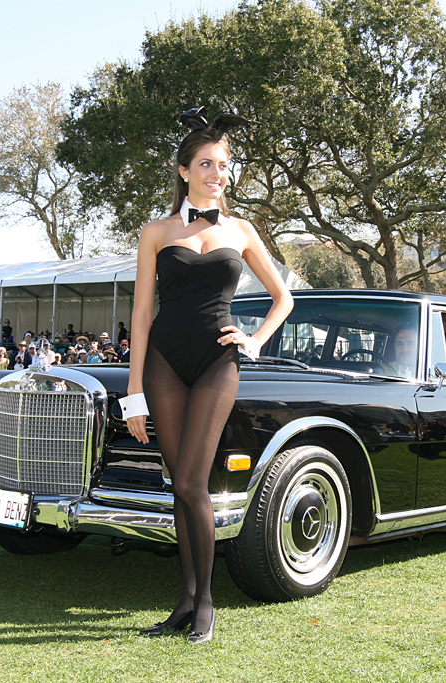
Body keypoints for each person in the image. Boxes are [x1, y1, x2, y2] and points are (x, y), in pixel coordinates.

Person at [125, 107, 292, 645]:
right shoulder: (155, 232)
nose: (217, 173)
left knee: (195, 482)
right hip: (164, 366)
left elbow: (282, 298)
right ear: (184, 171)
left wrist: (256, 339)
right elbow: (142, 314)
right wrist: (133, 393)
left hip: (219, 362)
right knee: (181, 484)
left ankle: (206, 605)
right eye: (206, 164)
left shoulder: (242, 230)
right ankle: (184, 600)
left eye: (223, 165)